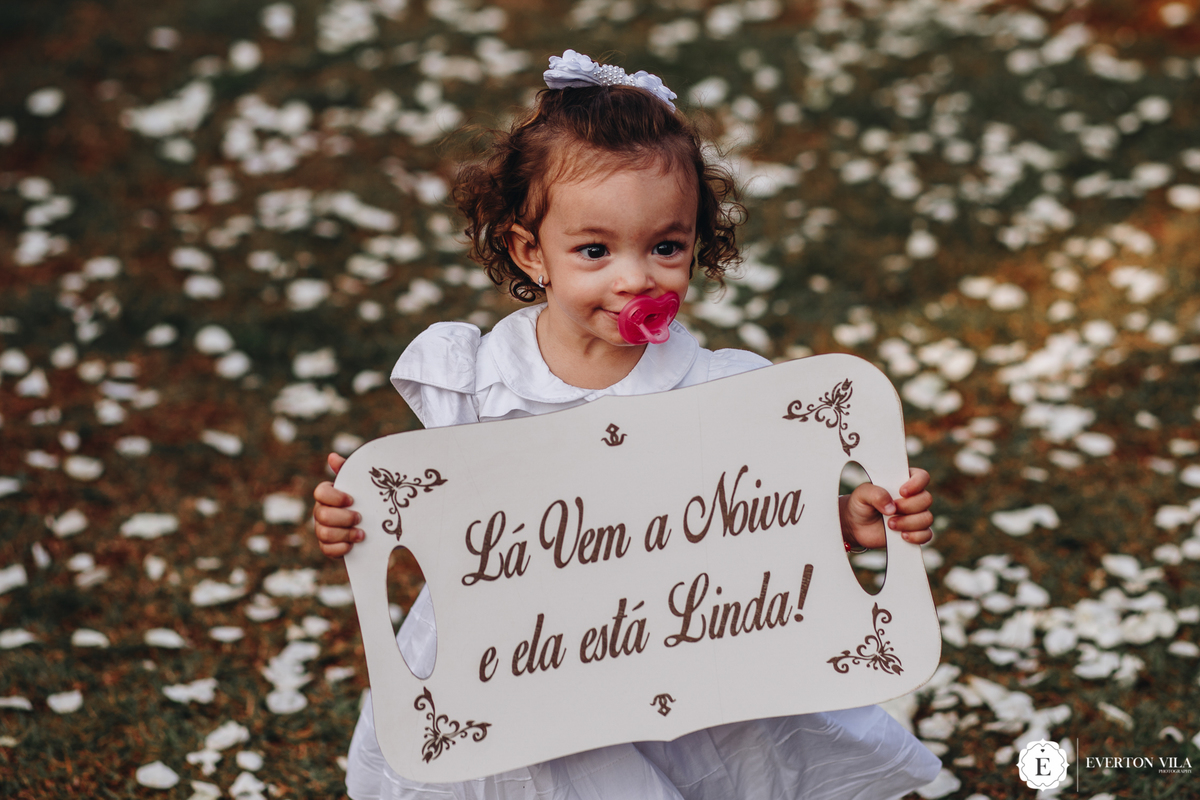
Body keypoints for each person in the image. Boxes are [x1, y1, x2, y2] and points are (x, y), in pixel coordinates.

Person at [313, 49, 940, 800]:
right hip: (532, 658)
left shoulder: (718, 389)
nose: (635, 277)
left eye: (665, 246)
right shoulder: (480, 380)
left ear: (698, 241)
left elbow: (752, 519)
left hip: (679, 644)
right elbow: (441, 516)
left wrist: (841, 518)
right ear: (530, 252)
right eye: (594, 250)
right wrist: (362, 519)